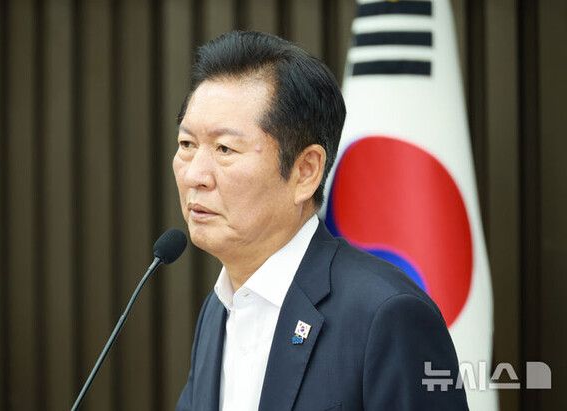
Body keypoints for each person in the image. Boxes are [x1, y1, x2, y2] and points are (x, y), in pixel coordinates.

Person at [173, 31, 468, 411]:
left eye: (225, 148)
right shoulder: (219, 308)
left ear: (305, 171)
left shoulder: (386, 314)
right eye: (187, 145)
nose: (194, 174)